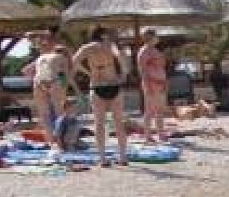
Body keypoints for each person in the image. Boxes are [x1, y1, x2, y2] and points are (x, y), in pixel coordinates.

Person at [73, 26, 127, 166]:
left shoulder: (87, 48)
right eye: (108, 34)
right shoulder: (110, 45)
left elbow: (74, 62)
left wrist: (89, 73)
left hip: (97, 85)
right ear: (103, 35)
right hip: (113, 83)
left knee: (99, 123)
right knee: (118, 122)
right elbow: (120, 57)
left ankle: (102, 158)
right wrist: (123, 74)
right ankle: (122, 157)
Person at [29, 31, 71, 145]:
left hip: (38, 81)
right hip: (53, 80)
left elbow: (25, 70)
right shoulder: (61, 57)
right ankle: (60, 142)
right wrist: (67, 90)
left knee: (44, 115)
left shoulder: (41, 57)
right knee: (59, 113)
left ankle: (51, 142)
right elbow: (67, 77)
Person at [137, 29, 169, 142]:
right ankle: (148, 136)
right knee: (149, 111)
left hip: (160, 83)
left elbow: (161, 67)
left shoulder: (155, 50)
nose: (158, 37)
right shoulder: (143, 52)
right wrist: (147, 86)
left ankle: (161, 134)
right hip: (151, 83)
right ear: (151, 37)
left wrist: (165, 83)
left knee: (160, 110)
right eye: (156, 36)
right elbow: (142, 71)